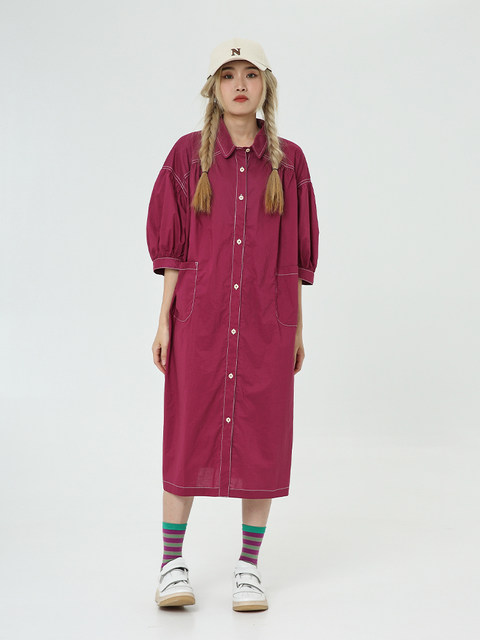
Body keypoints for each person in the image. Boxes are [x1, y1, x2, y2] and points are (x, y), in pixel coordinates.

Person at [146, 37, 320, 612]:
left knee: (262, 436)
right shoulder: (186, 156)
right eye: (228, 75)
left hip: (268, 320)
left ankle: (249, 567)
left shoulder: (289, 161)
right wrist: (164, 321)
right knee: (187, 430)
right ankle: (171, 563)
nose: (240, 84)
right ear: (213, 88)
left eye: (250, 74)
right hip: (200, 319)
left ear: (266, 84)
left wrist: (296, 328)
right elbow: (173, 249)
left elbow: (295, 257)